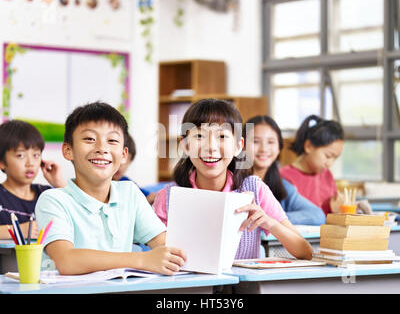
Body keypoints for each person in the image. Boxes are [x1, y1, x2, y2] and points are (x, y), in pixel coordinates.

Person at [35, 101, 186, 275]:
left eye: (112, 140)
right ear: (68, 150)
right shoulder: (53, 200)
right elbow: (66, 261)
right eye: (90, 139)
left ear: (123, 155)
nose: (102, 148)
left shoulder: (130, 193)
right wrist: (142, 259)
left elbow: (165, 244)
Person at [153, 99, 313, 260]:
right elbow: (153, 255)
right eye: (199, 136)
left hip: (243, 285)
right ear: (185, 146)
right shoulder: (168, 197)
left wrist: (269, 223)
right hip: (189, 285)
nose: (211, 147)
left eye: (222, 136)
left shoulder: (255, 189)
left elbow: (305, 251)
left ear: (238, 146)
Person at [244, 115, 326, 225]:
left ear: (279, 148)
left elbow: (317, 216)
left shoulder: (283, 186)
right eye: (256, 141)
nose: (264, 149)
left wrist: (271, 218)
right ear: (242, 146)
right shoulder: (230, 181)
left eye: (271, 142)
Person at [0, 120, 66, 239]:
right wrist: (18, 230)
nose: (30, 163)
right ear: (2, 163)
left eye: (36, 155)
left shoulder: (46, 194)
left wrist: (59, 183)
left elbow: (82, 215)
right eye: (20, 155)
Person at [280, 114, 344, 216]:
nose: (330, 164)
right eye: (328, 156)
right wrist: (329, 209)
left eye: (335, 158)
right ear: (309, 146)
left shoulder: (327, 175)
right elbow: (291, 217)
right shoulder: (284, 177)